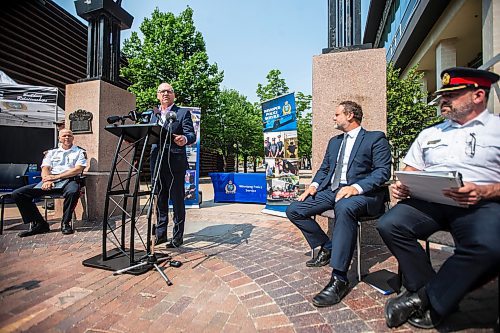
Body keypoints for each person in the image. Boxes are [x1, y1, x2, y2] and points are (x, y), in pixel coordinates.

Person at [377, 67, 500, 329]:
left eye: (451, 95)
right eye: (442, 95)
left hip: (478, 203)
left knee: (489, 246)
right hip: (429, 202)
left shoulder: (497, 129)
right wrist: (403, 185)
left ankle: (425, 298)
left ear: (478, 95)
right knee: (390, 223)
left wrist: (484, 191)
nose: (443, 100)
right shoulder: (430, 133)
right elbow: (410, 170)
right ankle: (432, 291)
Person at [286, 101, 391, 307]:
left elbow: (382, 172)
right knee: (295, 209)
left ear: (350, 115)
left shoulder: (375, 138)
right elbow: (325, 168)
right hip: (332, 191)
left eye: (337, 114)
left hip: (364, 195)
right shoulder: (334, 142)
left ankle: (339, 278)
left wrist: (357, 188)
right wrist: (313, 186)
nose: (333, 118)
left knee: (344, 206)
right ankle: (327, 247)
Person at [12, 129, 87, 237]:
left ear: (73, 137)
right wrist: (47, 180)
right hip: (51, 180)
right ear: (59, 138)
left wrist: (56, 177)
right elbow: (45, 168)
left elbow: (78, 169)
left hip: (69, 180)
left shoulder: (80, 151)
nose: (67, 138)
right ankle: (39, 224)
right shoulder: (51, 152)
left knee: (73, 192)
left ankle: (65, 223)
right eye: (64, 136)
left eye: (69, 135)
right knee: (18, 193)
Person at [150, 83, 196, 248]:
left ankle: (177, 236)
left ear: (173, 95)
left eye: (168, 91)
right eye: (162, 91)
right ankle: (161, 235)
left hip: (175, 161)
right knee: (160, 199)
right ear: (157, 95)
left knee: (177, 200)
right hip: (157, 161)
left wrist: (185, 139)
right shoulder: (153, 115)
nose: (165, 94)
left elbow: (191, 134)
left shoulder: (182, 113)